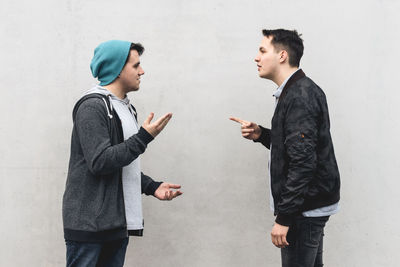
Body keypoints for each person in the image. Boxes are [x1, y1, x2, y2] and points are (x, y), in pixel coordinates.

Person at [62, 40, 182, 267]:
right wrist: (144, 137)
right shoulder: (93, 106)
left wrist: (151, 186)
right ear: (117, 69)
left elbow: (120, 164)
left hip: (115, 225)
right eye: (136, 66)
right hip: (89, 226)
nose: (142, 71)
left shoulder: (126, 107)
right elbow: (100, 162)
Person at [230, 29, 340, 267]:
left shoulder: (299, 95)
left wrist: (285, 217)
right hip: (309, 206)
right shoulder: (296, 90)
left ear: (281, 56)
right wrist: (261, 135)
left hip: (303, 210)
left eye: (262, 51)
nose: (256, 58)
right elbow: (298, 147)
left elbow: (303, 163)